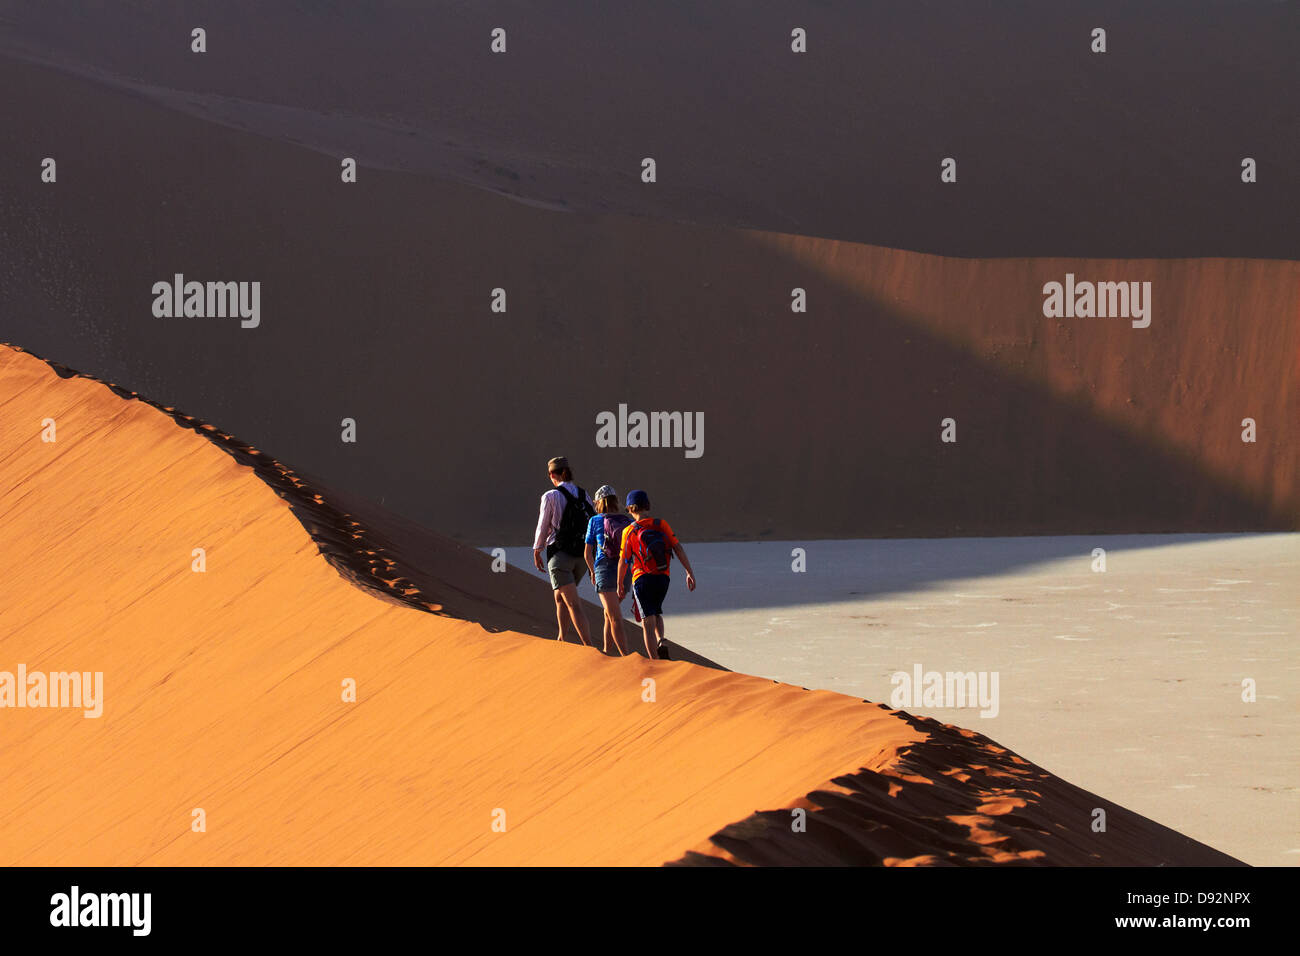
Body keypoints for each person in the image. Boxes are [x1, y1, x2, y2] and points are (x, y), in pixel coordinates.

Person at [616, 489, 696, 660]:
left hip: (642, 578)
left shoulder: (629, 531)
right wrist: (689, 572)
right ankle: (661, 640)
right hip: (662, 577)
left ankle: (655, 662)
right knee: (656, 611)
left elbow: (623, 560)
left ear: (630, 508)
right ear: (647, 506)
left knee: (647, 621)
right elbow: (678, 548)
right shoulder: (661, 524)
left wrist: (620, 584)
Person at [532, 456, 596, 646]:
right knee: (560, 597)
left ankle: (589, 648)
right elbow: (594, 522)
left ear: (552, 474)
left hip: (560, 557)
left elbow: (543, 526)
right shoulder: (584, 495)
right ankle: (562, 639)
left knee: (573, 605)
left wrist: (537, 550)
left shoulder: (550, 496)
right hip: (582, 558)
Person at [584, 485, 634, 656]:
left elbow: (587, 554)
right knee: (610, 613)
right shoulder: (628, 521)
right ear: (615, 501)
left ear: (598, 503)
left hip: (604, 569)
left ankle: (626, 658)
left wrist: (592, 572)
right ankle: (607, 651)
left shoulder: (595, 520)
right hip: (625, 571)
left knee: (614, 617)